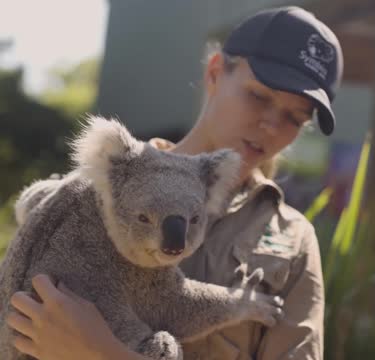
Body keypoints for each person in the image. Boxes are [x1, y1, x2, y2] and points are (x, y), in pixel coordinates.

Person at [7, 6, 343, 360]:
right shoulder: (98, 192)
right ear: (215, 73)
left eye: (294, 117)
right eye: (258, 96)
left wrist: (102, 353)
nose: (272, 125)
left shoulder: (292, 240)